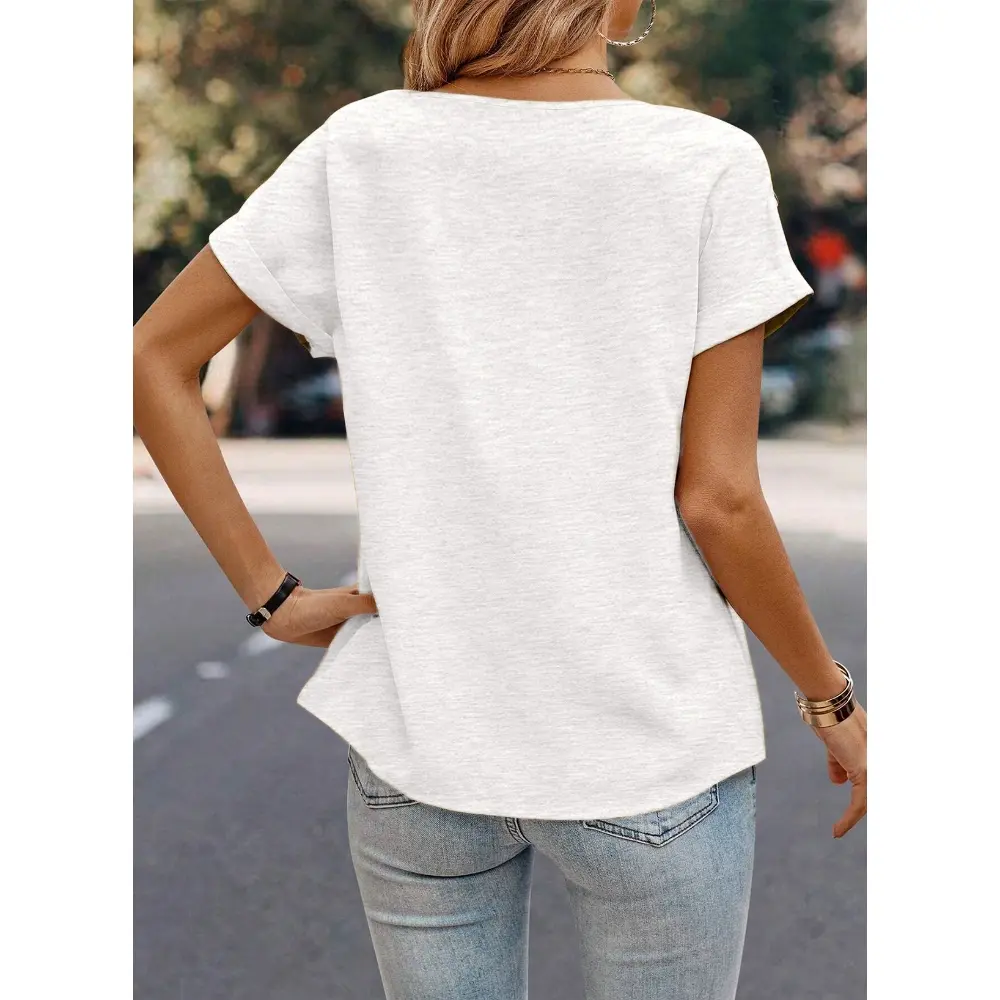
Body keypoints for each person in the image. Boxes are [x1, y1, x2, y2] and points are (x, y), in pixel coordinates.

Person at [133, 1, 867, 996]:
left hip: (424, 747)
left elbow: (153, 358)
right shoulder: (705, 165)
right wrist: (828, 697)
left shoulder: (363, 148)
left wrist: (272, 596)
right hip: (650, 748)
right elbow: (719, 499)